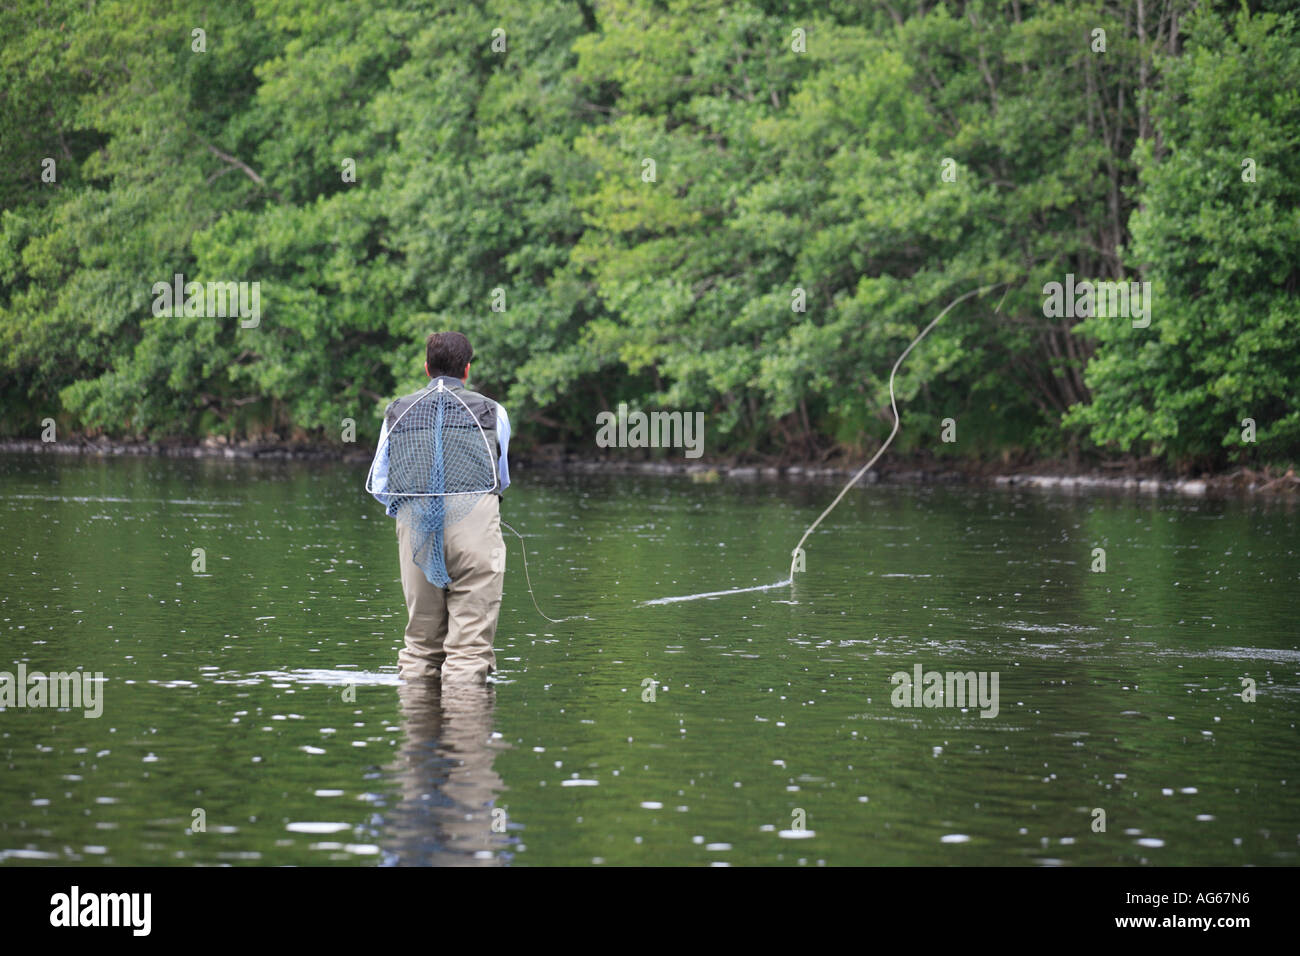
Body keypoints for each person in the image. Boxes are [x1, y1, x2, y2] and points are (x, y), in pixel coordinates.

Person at [369, 332, 511, 683]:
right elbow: (501, 478)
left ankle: (418, 729)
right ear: (466, 369)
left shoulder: (396, 411)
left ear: (426, 368)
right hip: (475, 527)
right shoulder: (493, 411)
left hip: (415, 528)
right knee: (469, 652)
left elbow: (380, 484)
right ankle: (465, 728)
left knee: (420, 648)